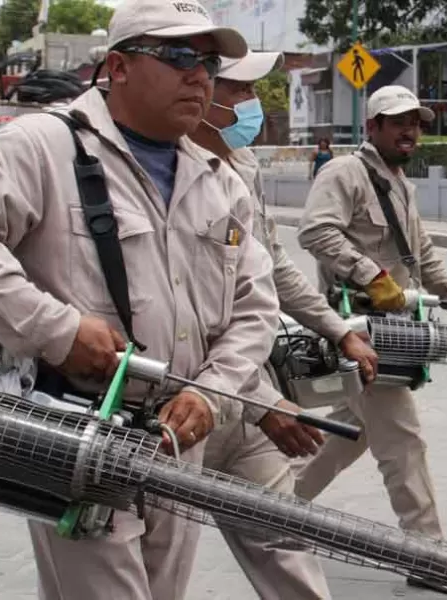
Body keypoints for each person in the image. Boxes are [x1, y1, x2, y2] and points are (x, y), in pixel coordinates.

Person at [0, 1, 280, 598]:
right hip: (75, 432)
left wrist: (219, 393)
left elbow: (256, 306)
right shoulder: (42, 146)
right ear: (119, 67)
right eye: (179, 55)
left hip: (179, 442)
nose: (200, 75)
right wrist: (54, 329)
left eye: (208, 61)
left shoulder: (220, 177)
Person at [187, 49, 381, 599]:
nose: (252, 104)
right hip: (181, 404)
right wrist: (258, 399)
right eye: (240, 90)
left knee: (285, 545)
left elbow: (270, 270)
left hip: (251, 400)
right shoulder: (157, 171)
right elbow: (181, 318)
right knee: (150, 570)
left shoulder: (242, 167)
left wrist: (336, 328)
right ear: (200, 93)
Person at [293, 84, 447, 592]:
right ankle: (427, 555)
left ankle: (271, 506)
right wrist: (370, 276)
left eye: (418, 122)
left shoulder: (401, 182)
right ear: (372, 127)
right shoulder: (343, 173)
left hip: (395, 329)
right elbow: (315, 232)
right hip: (357, 330)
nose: (411, 130)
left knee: (351, 435)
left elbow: (419, 252)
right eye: (399, 121)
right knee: (402, 439)